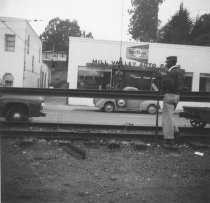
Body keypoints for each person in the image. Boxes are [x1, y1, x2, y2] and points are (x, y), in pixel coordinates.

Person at [161, 56, 185, 149]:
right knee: (170, 116)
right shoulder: (180, 72)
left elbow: (169, 84)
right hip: (177, 96)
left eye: (167, 62)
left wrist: (163, 77)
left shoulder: (171, 72)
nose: (166, 64)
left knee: (167, 118)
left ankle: (169, 140)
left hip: (170, 95)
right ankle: (177, 134)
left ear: (172, 62)